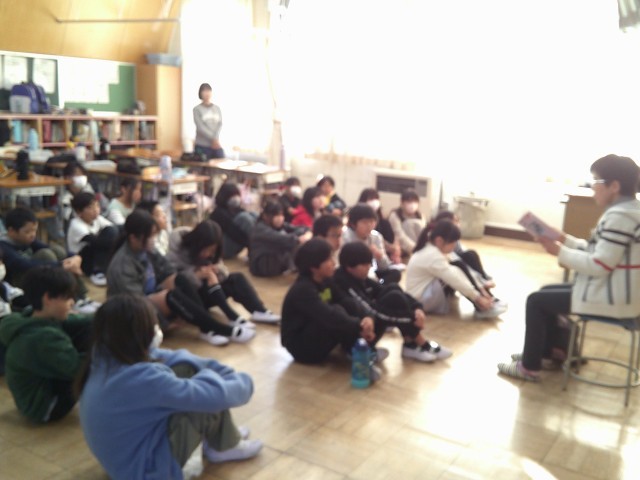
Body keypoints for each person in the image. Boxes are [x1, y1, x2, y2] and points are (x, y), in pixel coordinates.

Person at [76, 293, 262, 480]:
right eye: (152, 325)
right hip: (147, 473)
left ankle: (225, 438)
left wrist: (215, 370)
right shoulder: (143, 379)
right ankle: (224, 446)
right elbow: (214, 396)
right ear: (139, 333)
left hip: (124, 463)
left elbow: (173, 358)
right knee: (204, 397)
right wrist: (243, 380)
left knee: (189, 370)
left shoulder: (104, 358)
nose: (156, 329)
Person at [498, 154, 640, 381]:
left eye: (596, 181)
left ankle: (530, 367)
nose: (592, 188)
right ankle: (548, 353)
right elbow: (599, 251)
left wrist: (559, 251)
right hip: (617, 291)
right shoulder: (630, 211)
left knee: (536, 301)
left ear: (614, 186)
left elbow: (599, 264)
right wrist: (563, 239)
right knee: (545, 293)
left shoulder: (620, 217)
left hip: (613, 298)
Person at [107, 210, 255, 346]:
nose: (153, 239)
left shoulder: (146, 250)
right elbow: (136, 304)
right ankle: (224, 330)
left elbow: (168, 270)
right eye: (150, 236)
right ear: (134, 238)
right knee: (172, 296)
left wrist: (177, 281)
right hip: (135, 313)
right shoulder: (122, 266)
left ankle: (207, 328)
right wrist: (164, 324)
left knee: (180, 280)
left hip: (152, 296)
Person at [0, 266, 92, 423]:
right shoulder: (43, 338)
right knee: (97, 357)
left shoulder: (30, 315)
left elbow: (77, 322)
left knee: (88, 328)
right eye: (67, 298)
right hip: (45, 407)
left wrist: (105, 316)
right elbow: (78, 369)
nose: (72, 303)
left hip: (32, 398)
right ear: (48, 298)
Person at [334, 242, 452, 362]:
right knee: (392, 299)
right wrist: (412, 318)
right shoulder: (343, 283)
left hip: (368, 323)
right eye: (364, 265)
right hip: (356, 335)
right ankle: (420, 344)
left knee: (393, 289)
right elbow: (371, 310)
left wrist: (417, 308)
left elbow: (384, 289)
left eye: (369, 263)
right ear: (349, 267)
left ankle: (411, 343)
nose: (368, 267)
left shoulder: (357, 276)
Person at [166, 219, 281, 324]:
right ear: (197, 243)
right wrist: (195, 275)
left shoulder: (213, 252)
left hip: (209, 293)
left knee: (237, 278)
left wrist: (216, 270)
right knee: (206, 281)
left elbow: (224, 271)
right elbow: (171, 278)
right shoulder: (177, 245)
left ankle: (259, 310)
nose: (208, 254)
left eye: (212, 250)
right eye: (206, 249)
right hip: (190, 297)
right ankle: (231, 317)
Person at [281, 238, 375, 364]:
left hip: (316, 332)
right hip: (301, 348)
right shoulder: (303, 289)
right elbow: (328, 315)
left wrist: (366, 318)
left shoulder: (326, 280)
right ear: (314, 267)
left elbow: (344, 300)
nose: (334, 263)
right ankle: (357, 353)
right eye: (328, 260)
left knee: (347, 305)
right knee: (336, 313)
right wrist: (359, 326)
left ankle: (357, 350)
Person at [0, 206, 99, 314]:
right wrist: (61, 265)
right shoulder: (3, 246)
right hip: (19, 285)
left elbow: (52, 249)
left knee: (57, 251)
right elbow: (23, 265)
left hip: (34, 277)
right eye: (27, 231)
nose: (32, 235)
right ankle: (65, 298)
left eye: (34, 230)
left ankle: (80, 298)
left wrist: (75, 258)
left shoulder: (28, 239)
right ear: (11, 231)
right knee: (45, 255)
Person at [405, 219, 507, 318]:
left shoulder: (433, 248)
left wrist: (481, 288)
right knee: (455, 272)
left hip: (424, 293)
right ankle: (481, 306)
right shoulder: (432, 255)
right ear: (439, 241)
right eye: (453, 243)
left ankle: (485, 301)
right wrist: (477, 297)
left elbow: (462, 266)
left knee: (458, 265)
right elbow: (454, 278)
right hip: (420, 300)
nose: (454, 246)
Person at [66, 192, 119, 287]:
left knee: (112, 231)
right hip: (80, 259)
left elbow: (114, 229)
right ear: (79, 212)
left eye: (97, 206)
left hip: (94, 253)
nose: (96, 210)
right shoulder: (76, 225)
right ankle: (97, 272)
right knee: (105, 240)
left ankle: (107, 268)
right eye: (90, 208)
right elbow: (96, 242)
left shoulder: (97, 219)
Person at [431, 210, 495, 288]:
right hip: (448, 259)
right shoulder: (440, 237)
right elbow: (450, 255)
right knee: (461, 263)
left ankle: (482, 277)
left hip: (455, 256)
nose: (458, 223)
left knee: (471, 254)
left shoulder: (453, 233)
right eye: (455, 221)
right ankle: (479, 282)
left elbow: (459, 250)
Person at [341, 203, 401, 284]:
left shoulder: (376, 236)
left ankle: (378, 285)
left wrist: (379, 256)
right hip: (354, 273)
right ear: (353, 224)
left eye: (372, 221)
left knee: (395, 273)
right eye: (364, 222)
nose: (369, 225)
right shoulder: (345, 236)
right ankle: (376, 286)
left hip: (371, 271)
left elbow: (385, 267)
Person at [249, 200, 312, 277]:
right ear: (265, 216)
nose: (280, 218)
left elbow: (301, 228)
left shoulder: (278, 225)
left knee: (293, 240)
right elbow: (282, 239)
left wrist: (307, 232)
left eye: (282, 215)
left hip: (273, 261)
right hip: (262, 266)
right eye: (276, 215)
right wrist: (300, 238)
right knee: (290, 242)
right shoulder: (260, 228)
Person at [210, 182, 257, 259]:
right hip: (222, 248)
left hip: (233, 243)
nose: (236, 198)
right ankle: (257, 249)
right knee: (244, 217)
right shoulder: (218, 213)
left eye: (237, 195)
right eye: (232, 196)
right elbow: (235, 233)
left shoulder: (236, 209)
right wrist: (250, 243)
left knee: (253, 214)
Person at [358, 188, 401, 264]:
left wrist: (395, 249)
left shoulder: (384, 222)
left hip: (384, 257)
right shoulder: (358, 220)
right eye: (371, 199)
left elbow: (393, 238)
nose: (374, 202)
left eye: (376, 199)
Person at [388, 188, 426, 255]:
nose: (412, 204)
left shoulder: (420, 216)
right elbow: (399, 234)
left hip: (419, 249)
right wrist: (414, 249)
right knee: (408, 224)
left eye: (415, 201)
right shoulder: (395, 215)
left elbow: (424, 233)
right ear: (402, 202)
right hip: (403, 249)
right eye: (409, 201)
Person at [193, 82, 225, 159]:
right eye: (204, 91)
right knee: (204, 165)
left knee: (221, 160)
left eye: (208, 90)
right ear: (200, 93)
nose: (207, 93)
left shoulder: (217, 108)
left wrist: (215, 138)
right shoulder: (197, 109)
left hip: (215, 144)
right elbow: (200, 127)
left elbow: (220, 124)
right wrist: (214, 139)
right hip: (202, 145)